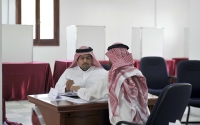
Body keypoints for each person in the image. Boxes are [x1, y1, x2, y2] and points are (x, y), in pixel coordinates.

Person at [70, 43, 149, 124]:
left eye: (110, 58)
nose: (109, 60)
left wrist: (78, 89)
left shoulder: (112, 75)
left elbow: (90, 95)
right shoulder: (137, 72)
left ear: (113, 58)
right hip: (142, 121)